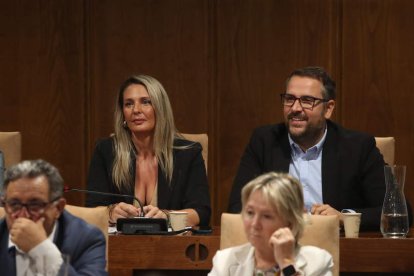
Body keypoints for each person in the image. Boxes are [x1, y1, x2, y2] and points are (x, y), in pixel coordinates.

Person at [228, 66, 411, 231]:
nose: (295, 108)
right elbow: (237, 207)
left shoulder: (358, 147)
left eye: (307, 101)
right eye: (289, 99)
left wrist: (343, 217)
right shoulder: (265, 141)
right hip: (276, 245)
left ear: (328, 108)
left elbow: (400, 211)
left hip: (340, 251)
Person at [86, 74, 211, 226]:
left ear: (160, 108)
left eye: (146, 102)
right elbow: (92, 208)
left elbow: (201, 212)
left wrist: (167, 216)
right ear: (123, 113)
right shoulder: (105, 152)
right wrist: (110, 213)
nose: (136, 110)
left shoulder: (188, 154)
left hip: (172, 246)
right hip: (119, 246)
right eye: (128, 104)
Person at [210, 172, 333, 276]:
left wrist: (287, 263)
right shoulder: (224, 260)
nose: (254, 223)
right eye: (250, 212)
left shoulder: (318, 262)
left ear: (290, 224)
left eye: (267, 216)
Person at [0, 159, 107, 276]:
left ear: (58, 208)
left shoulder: (86, 239)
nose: (23, 216)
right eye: (14, 204)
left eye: (35, 205)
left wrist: (40, 248)